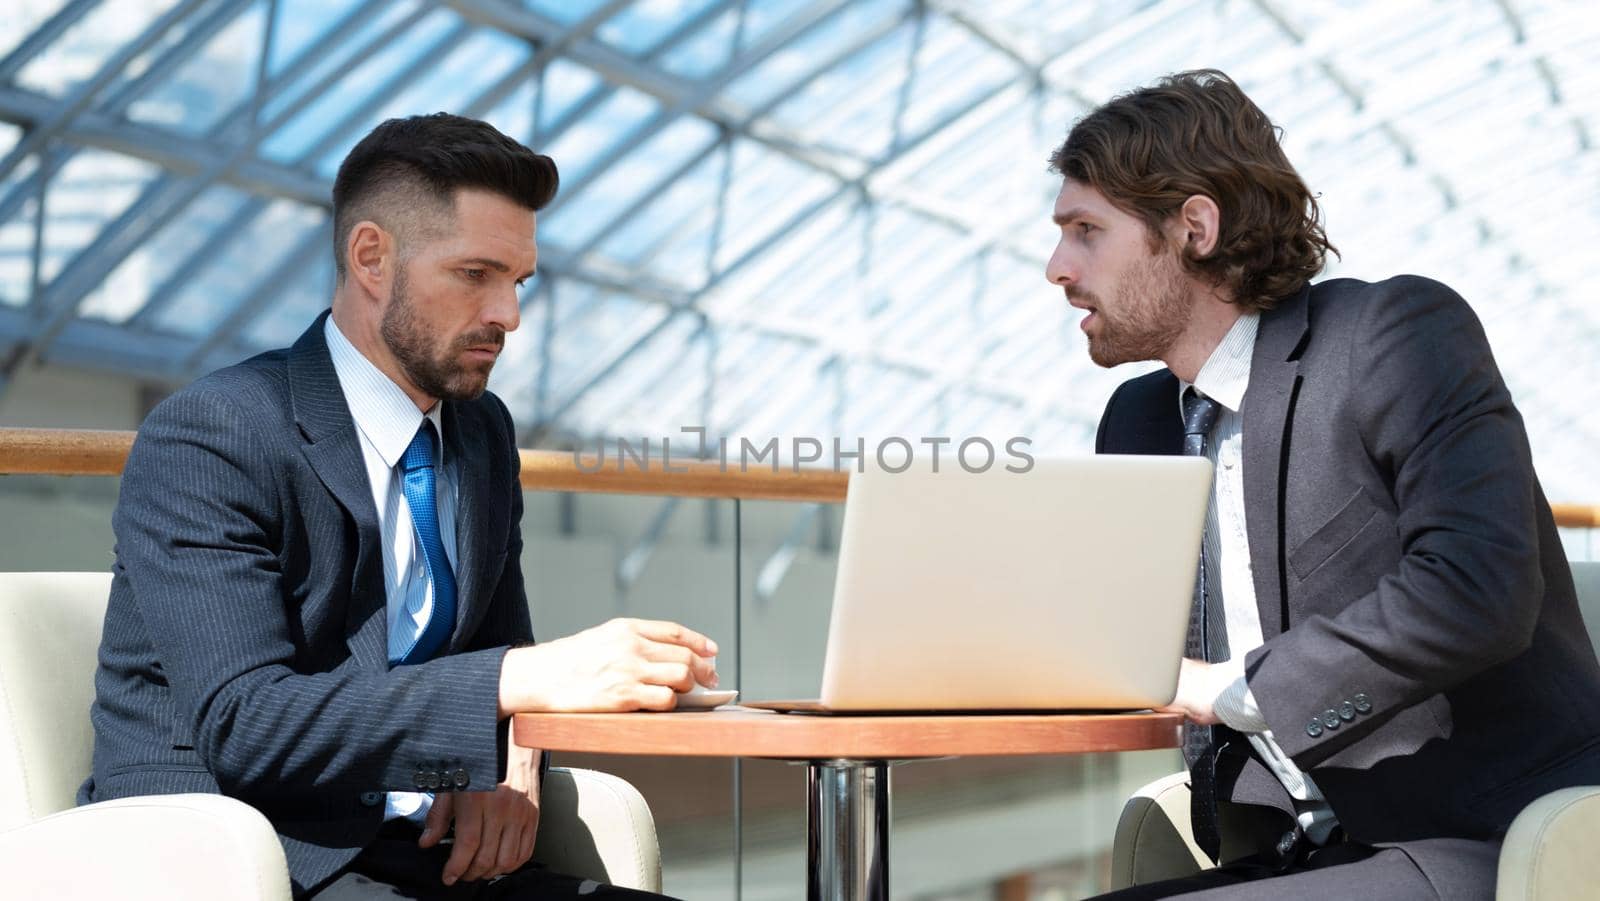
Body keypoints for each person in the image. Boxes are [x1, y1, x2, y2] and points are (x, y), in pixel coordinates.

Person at [80, 113, 716, 900]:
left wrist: (508, 752)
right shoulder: (218, 432)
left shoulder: (481, 430)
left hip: (422, 850)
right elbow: (245, 723)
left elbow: (494, 645)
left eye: (517, 282)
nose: (509, 316)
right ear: (372, 256)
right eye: (475, 274)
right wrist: (519, 682)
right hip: (241, 855)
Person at [1047, 70, 1600, 899]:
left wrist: (1237, 689)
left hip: (1475, 836)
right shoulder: (1140, 422)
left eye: (1086, 230)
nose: (1057, 267)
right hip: (1288, 848)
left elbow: (1476, 589)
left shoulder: (1394, 336)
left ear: (1194, 226)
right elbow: (1135, 655)